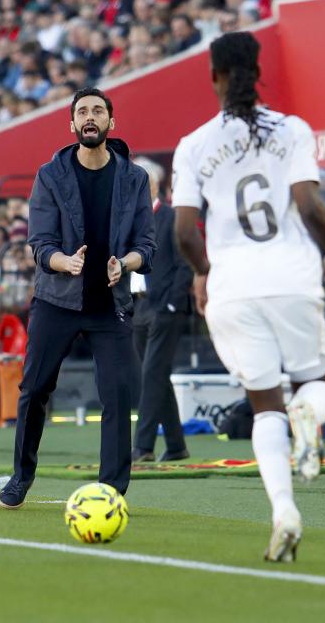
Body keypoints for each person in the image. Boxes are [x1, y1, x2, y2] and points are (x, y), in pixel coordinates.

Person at [172, 32, 325, 562]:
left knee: (263, 407)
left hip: (232, 288)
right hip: (291, 277)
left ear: (214, 77)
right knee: (317, 384)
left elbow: (183, 232)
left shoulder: (194, 144)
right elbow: (309, 204)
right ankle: (308, 418)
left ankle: (284, 514)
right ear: (257, 69)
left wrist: (205, 273)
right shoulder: (292, 129)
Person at [0, 86, 156, 509]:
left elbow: (147, 245)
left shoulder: (135, 178)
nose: (90, 117)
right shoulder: (50, 175)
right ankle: (21, 476)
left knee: (118, 397)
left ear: (110, 122)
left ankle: (110, 493)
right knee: (34, 389)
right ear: (71, 125)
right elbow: (39, 242)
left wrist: (124, 263)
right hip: (56, 300)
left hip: (111, 304)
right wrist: (62, 262)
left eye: (97, 111)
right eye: (82, 111)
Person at [130, 156, 193, 463]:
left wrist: (169, 302)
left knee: (152, 374)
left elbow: (185, 265)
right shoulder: (128, 219)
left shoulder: (169, 217)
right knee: (155, 375)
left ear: (153, 183)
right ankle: (177, 445)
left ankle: (142, 447)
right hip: (137, 306)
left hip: (163, 306)